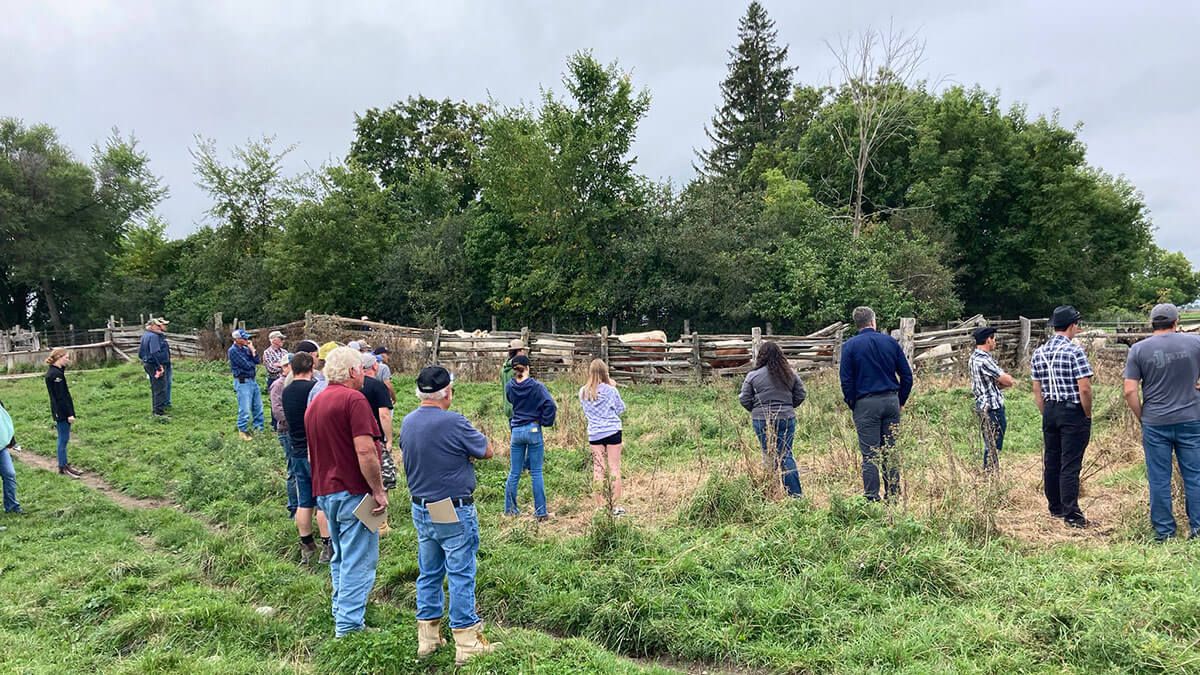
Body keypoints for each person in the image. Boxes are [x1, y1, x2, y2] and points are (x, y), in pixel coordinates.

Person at [401, 365, 500, 664]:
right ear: (447, 393)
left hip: (422, 506)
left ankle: (428, 638)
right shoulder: (453, 422)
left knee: (429, 571)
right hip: (448, 506)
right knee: (460, 571)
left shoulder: (408, 421)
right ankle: (467, 641)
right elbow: (487, 450)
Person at [305, 346, 388, 637]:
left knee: (340, 555)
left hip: (326, 490)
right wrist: (378, 490)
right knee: (360, 559)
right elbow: (365, 451)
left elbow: (312, 454)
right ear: (353, 371)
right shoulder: (354, 399)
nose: (364, 375)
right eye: (361, 369)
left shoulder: (316, 401)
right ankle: (350, 626)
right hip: (355, 491)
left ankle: (341, 611)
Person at [1122, 303, 1200, 541]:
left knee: (1159, 478)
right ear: (1176, 322)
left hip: (1155, 421)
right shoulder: (1195, 343)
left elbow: (1129, 391)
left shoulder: (1138, 349)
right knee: (1195, 475)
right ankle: (1197, 529)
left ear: (1152, 323)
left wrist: (1142, 416)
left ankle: (1165, 531)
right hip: (1191, 418)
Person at [839, 306, 914, 502]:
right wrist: (901, 400)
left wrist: (853, 403)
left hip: (865, 402)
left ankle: (872, 497)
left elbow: (846, 380)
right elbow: (907, 375)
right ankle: (893, 495)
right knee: (890, 450)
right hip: (891, 399)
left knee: (870, 453)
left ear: (857, 324)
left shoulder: (849, 346)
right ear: (873, 321)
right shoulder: (889, 342)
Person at [1031, 305, 1094, 529]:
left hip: (1050, 409)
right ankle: (1072, 514)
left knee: (1052, 460)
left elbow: (1037, 389)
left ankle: (1055, 506)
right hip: (1072, 410)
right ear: (1072, 325)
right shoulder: (1074, 351)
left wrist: (1046, 411)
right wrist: (1087, 414)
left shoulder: (1039, 352)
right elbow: (1084, 388)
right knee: (1070, 463)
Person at [281, 352, 332, 564]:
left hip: (296, 449)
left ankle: (307, 545)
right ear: (311, 367)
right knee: (322, 501)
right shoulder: (314, 389)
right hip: (315, 451)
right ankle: (327, 547)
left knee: (304, 501)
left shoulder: (286, 390)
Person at [739, 341, 806, 497]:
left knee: (768, 453)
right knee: (786, 454)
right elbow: (801, 394)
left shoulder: (753, 375)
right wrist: (789, 406)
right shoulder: (789, 373)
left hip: (761, 419)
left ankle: (771, 492)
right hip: (786, 417)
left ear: (761, 356)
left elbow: (744, 398)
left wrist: (755, 409)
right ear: (780, 355)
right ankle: (795, 495)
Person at [503, 355, 557, 520]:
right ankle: (540, 512)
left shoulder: (509, 386)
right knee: (536, 472)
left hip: (516, 430)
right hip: (533, 428)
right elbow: (550, 404)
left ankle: (510, 510)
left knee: (514, 472)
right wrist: (544, 421)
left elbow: (510, 400)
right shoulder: (537, 386)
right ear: (527, 367)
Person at [579, 359, 628, 514]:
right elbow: (621, 409)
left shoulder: (583, 392)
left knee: (598, 469)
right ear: (605, 372)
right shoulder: (611, 390)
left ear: (590, 372)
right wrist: (613, 387)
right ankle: (616, 506)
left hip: (595, 433)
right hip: (612, 430)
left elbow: (585, 410)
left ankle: (600, 506)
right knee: (614, 468)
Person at [969, 327, 1016, 472]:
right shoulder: (985, 360)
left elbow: (991, 382)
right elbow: (1007, 380)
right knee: (994, 444)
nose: (995, 341)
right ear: (988, 340)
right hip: (992, 406)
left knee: (990, 441)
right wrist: (1006, 381)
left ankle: (989, 472)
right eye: (994, 338)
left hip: (982, 403)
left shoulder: (974, 358)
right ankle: (990, 473)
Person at [44, 348, 83, 479]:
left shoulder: (56, 372)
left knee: (64, 439)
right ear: (59, 358)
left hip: (60, 411)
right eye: (66, 357)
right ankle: (63, 467)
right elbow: (61, 397)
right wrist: (69, 414)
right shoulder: (55, 375)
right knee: (63, 439)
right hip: (61, 412)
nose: (68, 359)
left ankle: (65, 465)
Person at [269, 353, 297, 519]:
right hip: (286, 431)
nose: (285, 369)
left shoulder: (295, 382)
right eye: (284, 366)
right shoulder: (278, 385)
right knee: (292, 469)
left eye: (288, 365)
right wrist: (294, 422)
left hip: (296, 431)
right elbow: (277, 411)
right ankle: (293, 508)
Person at [228, 329, 264, 441]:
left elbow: (257, 361)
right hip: (242, 381)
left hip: (252, 380)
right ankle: (242, 430)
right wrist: (252, 361)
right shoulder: (233, 351)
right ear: (237, 339)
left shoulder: (246, 348)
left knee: (258, 406)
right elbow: (246, 365)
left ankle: (259, 429)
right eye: (244, 338)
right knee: (245, 408)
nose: (246, 340)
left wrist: (253, 350)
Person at [138, 317, 171, 420]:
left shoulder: (146, 335)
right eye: (158, 325)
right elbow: (154, 352)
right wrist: (159, 367)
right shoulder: (154, 337)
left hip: (149, 363)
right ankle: (158, 413)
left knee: (156, 388)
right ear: (152, 326)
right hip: (155, 364)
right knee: (160, 388)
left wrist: (145, 360)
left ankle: (157, 410)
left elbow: (140, 353)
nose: (160, 327)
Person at [1, 399, 23, 514]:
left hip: (1, 448)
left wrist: (12, 441)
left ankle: (12, 506)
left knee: (9, 474)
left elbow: (5, 422)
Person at [500, 339, 527, 421]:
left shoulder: (504, 368)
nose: (524, 353)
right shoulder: (517, 369)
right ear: (518, 351)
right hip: (518, 409)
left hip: (508, 407)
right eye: (523, 350)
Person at [263, 330, 288, 396]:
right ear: (274, 340)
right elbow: (271, 369)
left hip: (285, 380)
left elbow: (290, 365)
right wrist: (284, 366)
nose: (283, 341)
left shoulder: (285, 352)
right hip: (273, 380)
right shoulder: (267, 352)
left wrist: (279, 365)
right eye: (281, 339)